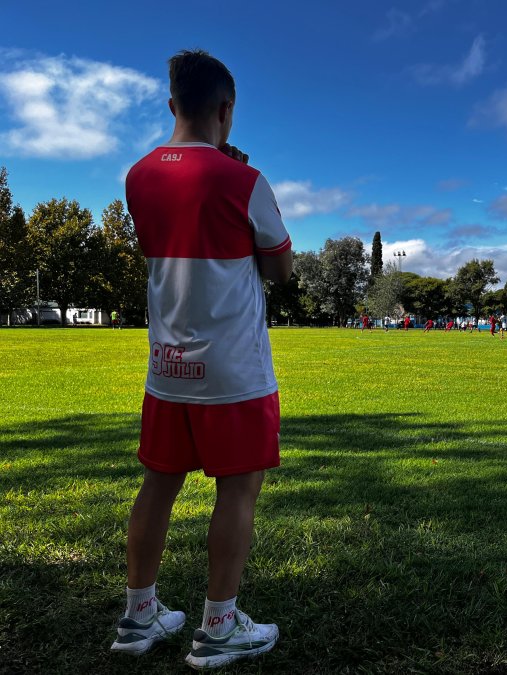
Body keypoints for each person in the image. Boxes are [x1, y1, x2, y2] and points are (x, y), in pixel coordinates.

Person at [113, 50, 290, 669]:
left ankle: (139, 616)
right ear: (226, 111)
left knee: (158, 483)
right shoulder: (245, 180)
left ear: (171, 106)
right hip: (234, 368)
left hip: (167, 366)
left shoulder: (137, 176)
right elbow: (279, 266)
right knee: (238, 491)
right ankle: (218, 627)